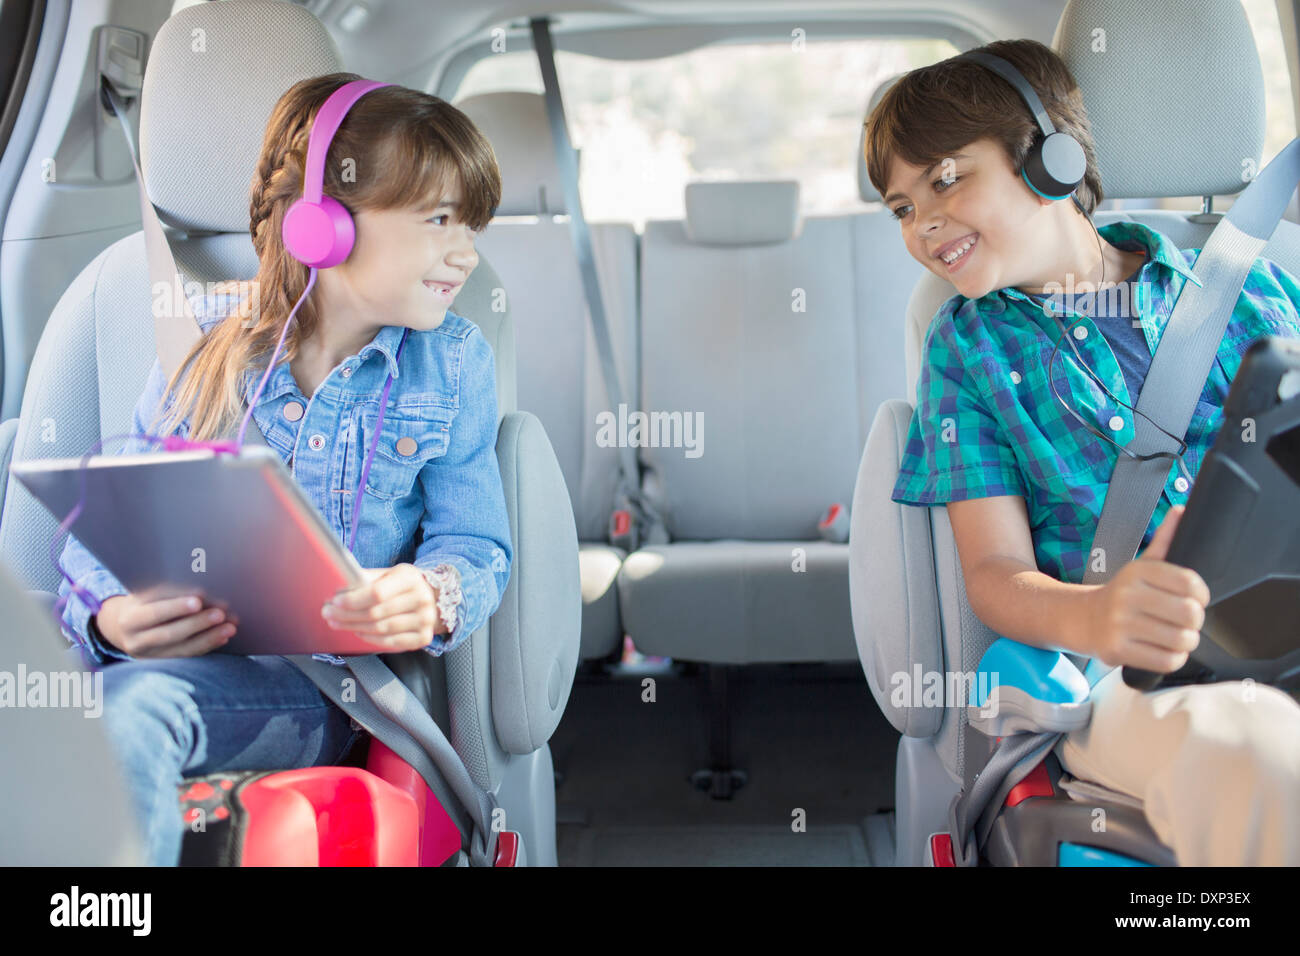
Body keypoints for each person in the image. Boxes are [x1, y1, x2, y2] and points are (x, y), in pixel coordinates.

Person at [54, 73, 513, 866]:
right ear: (323, 225)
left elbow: (478, 546)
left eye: (470, 226)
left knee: (131, 716)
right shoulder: (202, 346)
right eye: (440, 220)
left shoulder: (452, 366)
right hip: (182, 664)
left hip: (324, 690)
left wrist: (433, 594)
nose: (466, 254)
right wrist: (109, 620)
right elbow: (108, 519)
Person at [865, 39, 1300, 865]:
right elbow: (995, 574)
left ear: (1050, 161)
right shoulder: (969, 352)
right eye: (900, 206)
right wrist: (1099, 614)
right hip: (1130, 682)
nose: (922, 222)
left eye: (947, 178)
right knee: (1258, 746)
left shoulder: (1261, 287)